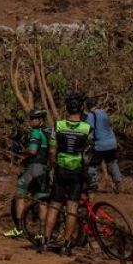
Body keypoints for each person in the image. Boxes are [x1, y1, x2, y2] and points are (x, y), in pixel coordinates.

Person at [40, 95, 93, 255]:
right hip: (77, 172)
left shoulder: (58, 125)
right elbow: (88, 154)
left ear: (67, 108)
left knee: (54, 205)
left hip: (60, 169)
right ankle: (66, 244)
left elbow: (51, 150)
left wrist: (54, 165)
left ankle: (45, 242)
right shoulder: (87, 128)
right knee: (72, 207)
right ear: (81, 109)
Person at [5, 109, 50, 239]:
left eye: (33, 119)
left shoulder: (35, 132)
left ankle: (19, 228)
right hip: (45, 170)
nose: (30, 121)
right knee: (42, 201)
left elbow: (32, 151)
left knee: (20, 195)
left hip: (34, 168)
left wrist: (22, 153)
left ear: (40, 120)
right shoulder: (49, 132)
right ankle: (41, 232)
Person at [85, 96, 123, 193]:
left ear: (87, 106)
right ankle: (118, 183)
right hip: (111, 142)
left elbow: (90, 131)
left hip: (100, 145)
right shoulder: (103, 112)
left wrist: (87, 142)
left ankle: (92, 185)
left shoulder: (90, 115)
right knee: (112, 162)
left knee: (92, 165)